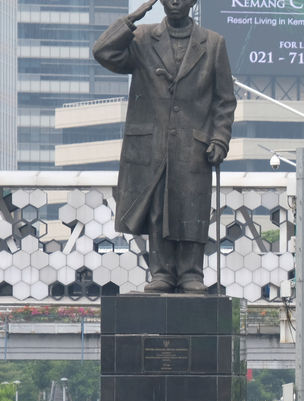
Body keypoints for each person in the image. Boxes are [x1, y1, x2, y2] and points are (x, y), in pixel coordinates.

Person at [93, 0, 236, 293]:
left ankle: (190, 272)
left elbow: (225, 100)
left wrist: (220, 138)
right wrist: (131, 19)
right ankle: (161, 272)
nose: (174, 2)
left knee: (191, 207)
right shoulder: (142, 38)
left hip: (193, 145)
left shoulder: (213, 43)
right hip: (151, 145)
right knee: (158, 209)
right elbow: (103, 52)